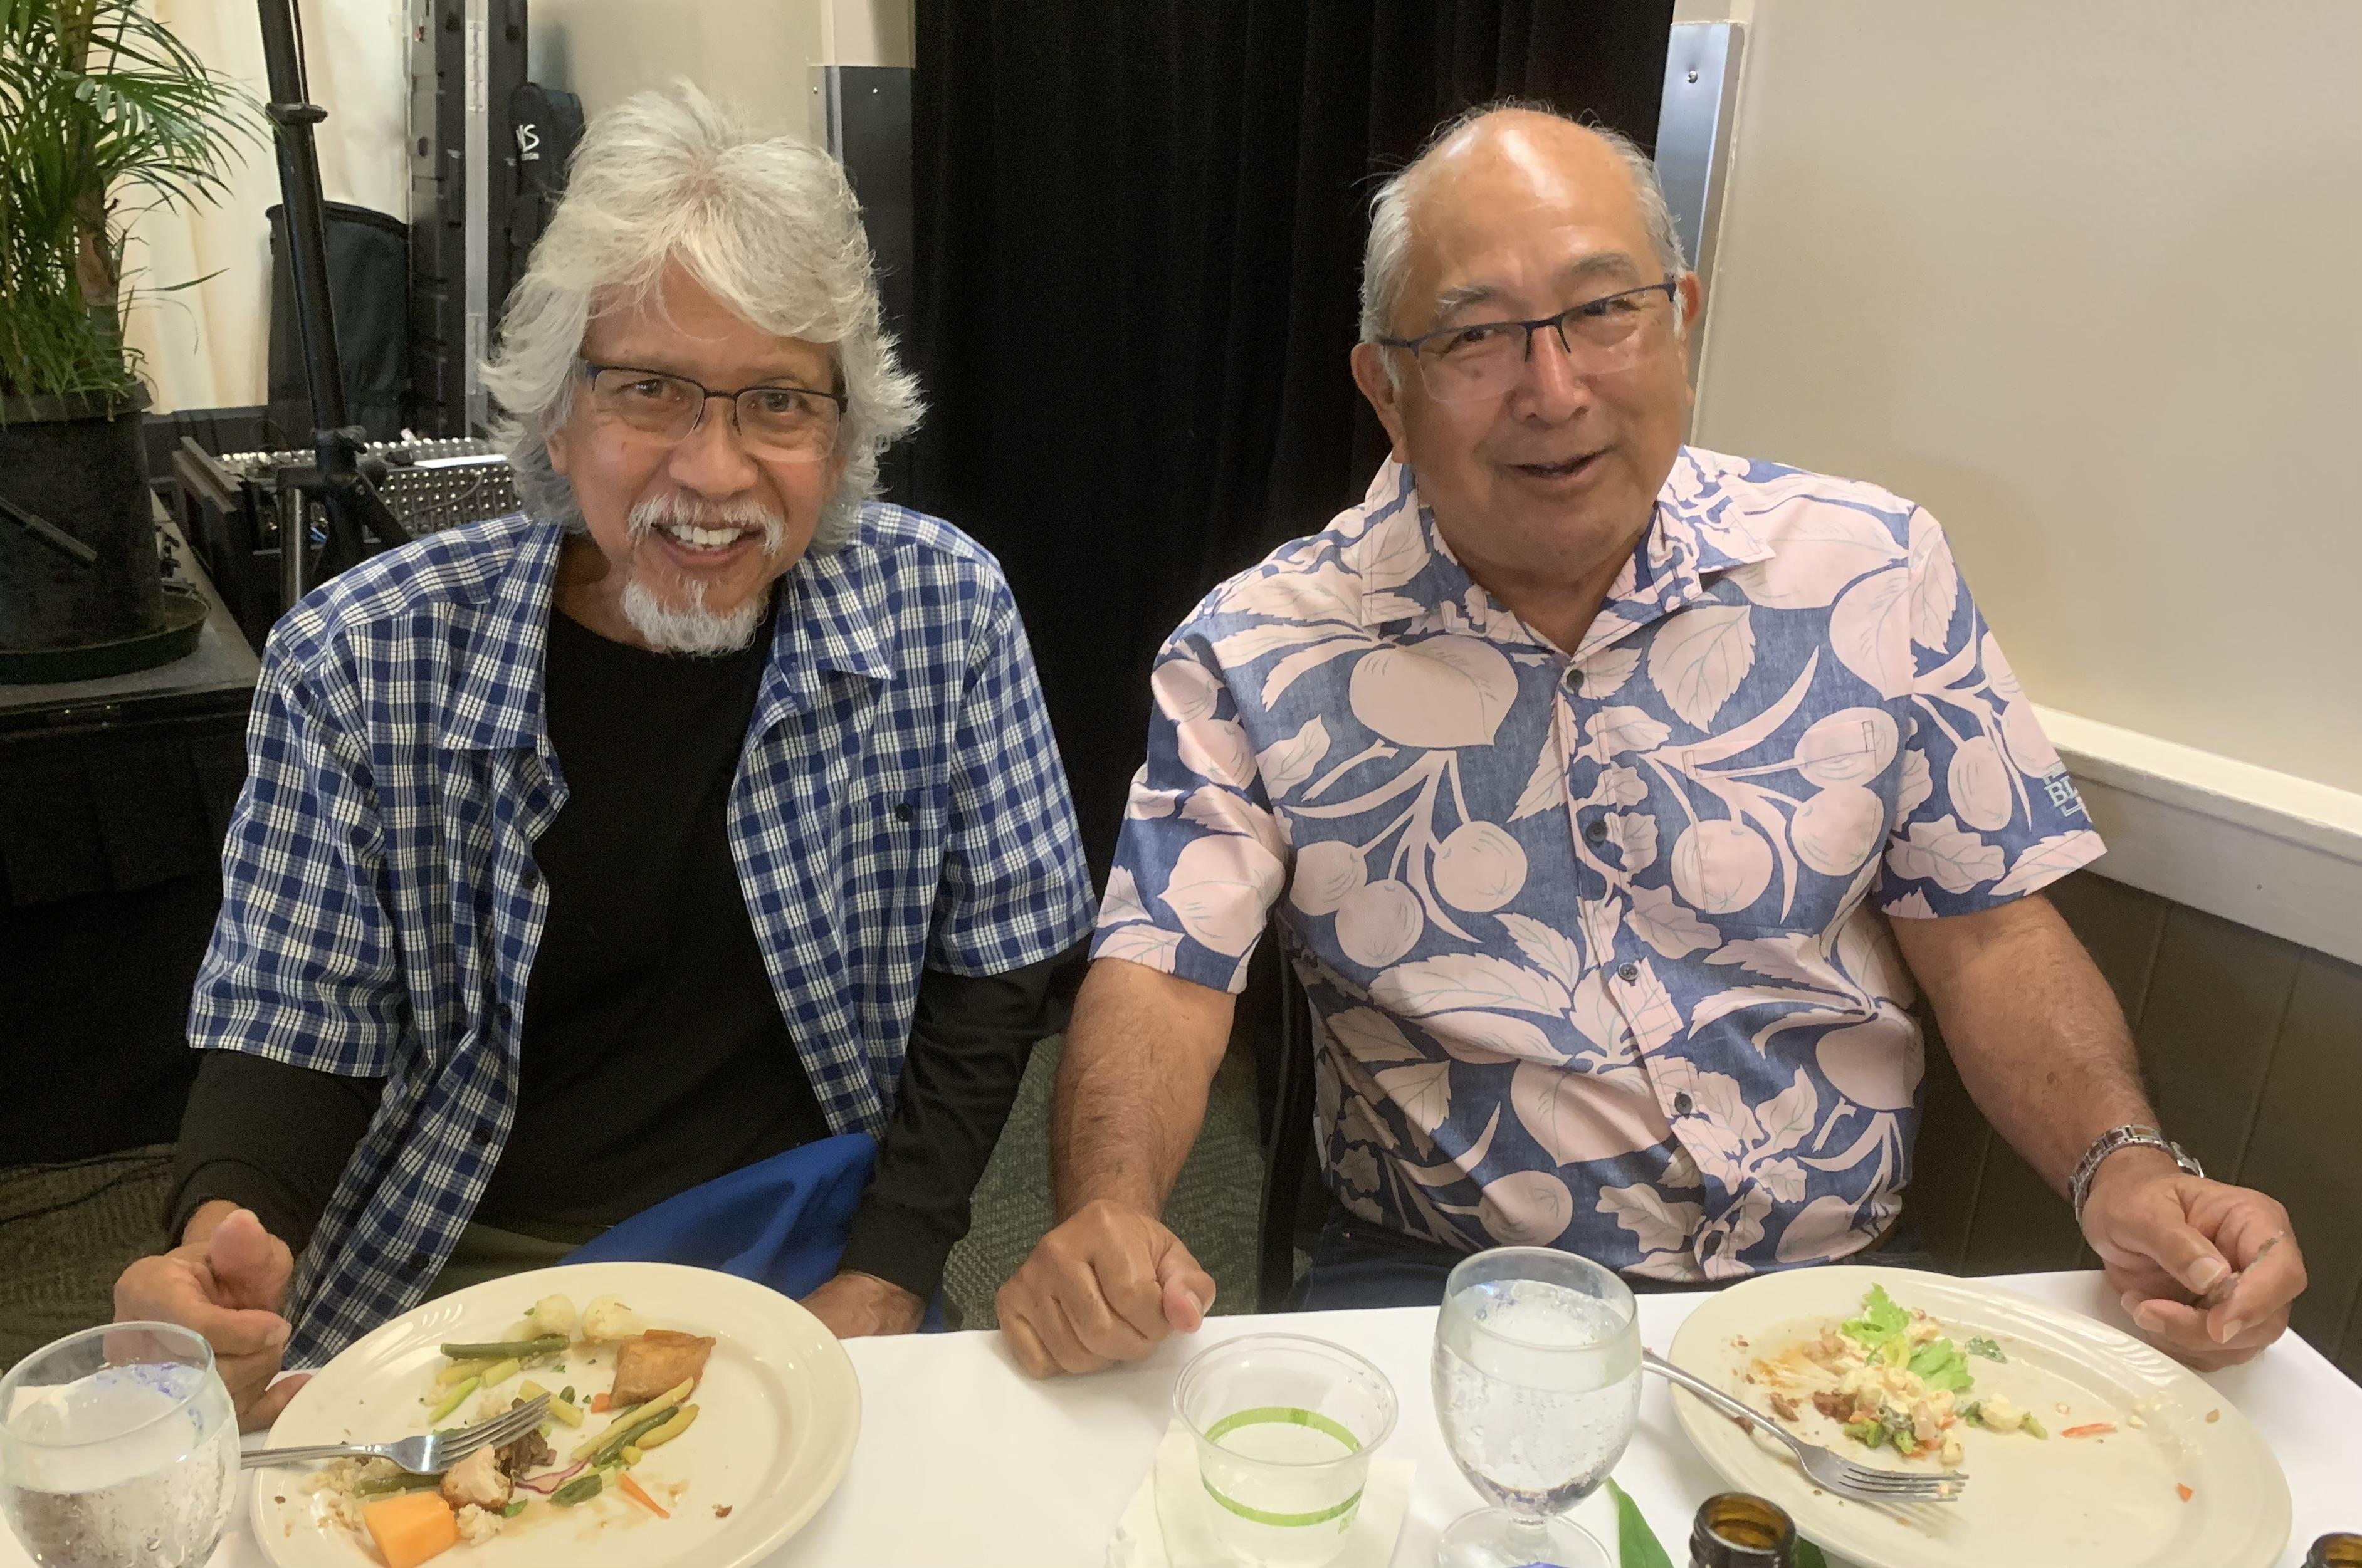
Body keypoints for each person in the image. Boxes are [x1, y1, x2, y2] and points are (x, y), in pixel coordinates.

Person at [997, 104, 2306, 1377]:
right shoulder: (1259, 648)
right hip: (1448, 1293)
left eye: (1602, 310)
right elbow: (1164, 972)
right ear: (1385, 388)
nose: (1554, 389)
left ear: (1680, 318)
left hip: (1832, 1301)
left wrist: (2125, 1166)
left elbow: (1988, 934)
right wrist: (1109, 1207)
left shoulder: (1872, 568)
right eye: (1476, 337)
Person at [114, 85, 1094, 1427]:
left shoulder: (945, 612)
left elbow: (996, 975)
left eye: (778, 402)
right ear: (556, 413)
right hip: (457, 1268)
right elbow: (292, 1024)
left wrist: (889, 1268)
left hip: (798, 1246)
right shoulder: (358, 658)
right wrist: (221, 1238)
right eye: (649, 390)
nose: (715, 471)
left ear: (844, 432)